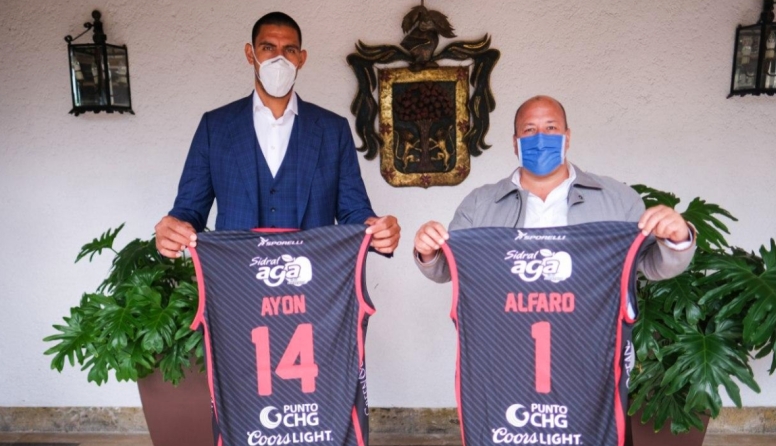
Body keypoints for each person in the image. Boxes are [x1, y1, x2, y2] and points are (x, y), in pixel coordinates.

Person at [155, 12, 400, 257]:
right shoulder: (215, 127)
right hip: (236, 275)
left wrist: (376, 229)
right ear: (250, 54)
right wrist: (173, 228)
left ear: (301, 59)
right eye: (268, 47)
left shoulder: (333, 130)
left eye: (289, 50)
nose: (279, 58)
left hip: (315, 274)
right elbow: (189, 211)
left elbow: (353, 211)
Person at [414, 95, 694, 282]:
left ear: (566, 138)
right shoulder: (480, 204)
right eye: (529, 130)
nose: (540, 138)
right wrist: (429, 251)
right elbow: (448, 269)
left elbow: (652, 265)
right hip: (506, 343)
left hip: (590, 345)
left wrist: (678, 239)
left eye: (550, 128)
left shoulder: (618, 199)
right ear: (515, 142)